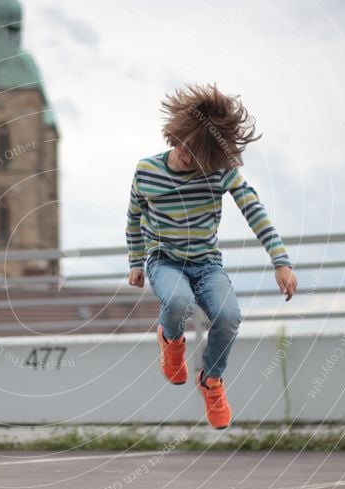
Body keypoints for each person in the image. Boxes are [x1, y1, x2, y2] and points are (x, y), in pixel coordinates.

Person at [125, 83, 298, 429]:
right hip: (165, 260)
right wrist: (135, 261)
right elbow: (133, 217)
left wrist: (280, 260)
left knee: (229, 315)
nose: (191, 160)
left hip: (206, 265)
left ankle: (211, 380)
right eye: (188, 150)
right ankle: (171, 339)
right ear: (176, 135)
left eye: (201, 156)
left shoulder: (218, 169)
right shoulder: (147, 171)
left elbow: (254, 209)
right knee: (177, 302)